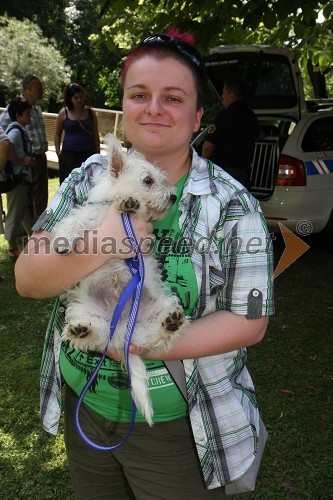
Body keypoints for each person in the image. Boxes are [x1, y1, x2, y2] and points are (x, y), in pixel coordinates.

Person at [15, 28, 274, 499]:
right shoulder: (88, 176)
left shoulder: (234, 206)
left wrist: (137, 346)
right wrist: (108, 241)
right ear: (124, 107)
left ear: (198, 116)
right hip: (85, 398)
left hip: (181, 424)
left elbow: (250, 323)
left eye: (173, 97)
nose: (154, 107)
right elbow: (28, 280)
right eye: (140, 94)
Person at [0, 74, 48, 219]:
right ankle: (23, 235)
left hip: (40, 157)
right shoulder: (16, 107)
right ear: (28, 89)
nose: (42, 91)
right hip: (26, 161)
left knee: (41, 196)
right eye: (38, 88)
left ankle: (41, 230)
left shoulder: (37, 107)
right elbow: (2, 129)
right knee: (25, 200)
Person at [202, 77, 260, 188]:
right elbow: (258, 134)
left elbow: (207, 146)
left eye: (224, 93)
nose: (222, 96)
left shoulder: (225, 115)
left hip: (223, 172)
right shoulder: (251, 117)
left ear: (232, 96)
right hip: (242, 174)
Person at [3, 98, 35, 259]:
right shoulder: (15, 132)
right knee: (15, 212)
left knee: (21, 211)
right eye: (27, 114)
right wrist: (23, 161)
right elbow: (8, 153)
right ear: (18, 115)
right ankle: (12, 246)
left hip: (21, 178)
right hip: (17, 179)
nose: (30, 116)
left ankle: (33, 237)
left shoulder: (19, 130)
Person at [54, 83, 100, 184]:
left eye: (81, 97)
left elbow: (95, 134)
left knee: (87, 184)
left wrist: (97, 152)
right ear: (70, 99)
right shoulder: (63, 113)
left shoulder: (90, 113)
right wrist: (58, 152)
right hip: (68, 156)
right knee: (69, 184)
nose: (79, 100)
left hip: (88, 154)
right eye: (76, 98)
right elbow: (57, 133)